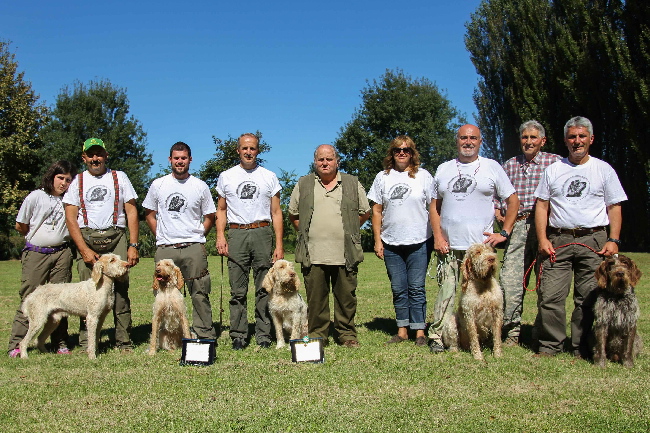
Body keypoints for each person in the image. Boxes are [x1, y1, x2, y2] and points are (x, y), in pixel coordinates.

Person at [534, 116, 627, 358]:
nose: (577, 141)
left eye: (582, 136)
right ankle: (550, 346)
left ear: (591, 139)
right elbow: (542, 206)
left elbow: (614, 206)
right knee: (551, 296)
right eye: (572, 137)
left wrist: (613, 240)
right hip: (558, 240)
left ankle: (581, 347)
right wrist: (543, 239)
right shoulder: (553, 170)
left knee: (588, 297)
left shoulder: (604, 170)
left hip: (594, 240)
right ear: (566, 140)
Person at [427, 124, 519, 353]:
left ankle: (485, 336)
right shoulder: (444, 169)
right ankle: (439, 337)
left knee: (483, 297)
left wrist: (504, 232)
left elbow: (513, 200)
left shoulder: (492, 167)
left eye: (473, 138)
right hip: (449, 246)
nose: (468, 142)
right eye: (463, 138)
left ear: (480, 141)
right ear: (456, 140)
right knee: (447, 293)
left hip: (481, 249)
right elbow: (433, 206)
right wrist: (438, 236)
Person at [289, 144, 371, 347]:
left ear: (337, 161)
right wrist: (309, 233)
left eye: (329, 159)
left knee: (346, 297)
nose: (325, 163)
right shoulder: (304, 183)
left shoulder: (352, 182)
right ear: (315, 162)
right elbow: (293, 214)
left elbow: (365, 212)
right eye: (320, 159)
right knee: (316, 299)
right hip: (313, 252)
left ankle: (347, 335)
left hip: (345, 252)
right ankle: (318, 335)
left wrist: (350, 230)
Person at [63, 138, 140, 352]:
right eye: (91, 155)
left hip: (116, 236)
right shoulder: (77, 181)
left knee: (121, 291)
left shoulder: (120, 177)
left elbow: (132, 210)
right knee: (89, 291)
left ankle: (123, 341)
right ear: (84, 157)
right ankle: (88, 342)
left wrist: (133, 244)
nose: (95, 159)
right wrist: (84, 250)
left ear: (106, 155)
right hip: (87, 239)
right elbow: (70, 218)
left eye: (99, 154)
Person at [143, 141, 217, 341]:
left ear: (190, 160)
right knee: (164, 294)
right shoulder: (158, 184)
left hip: (193, 246)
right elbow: (149, 214)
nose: (180, 161)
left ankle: (204, 335)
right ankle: (168, 335)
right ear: (170, 160)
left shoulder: (200, 186)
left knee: (199, 292)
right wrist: (160, 235)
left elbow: (210, 215)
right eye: (176, 158)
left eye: (183, 158)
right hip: (166, 249)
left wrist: (199, 233)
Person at [215, 133, 284, 350]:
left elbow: (276, 212)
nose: (248, 152)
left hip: (262, 232)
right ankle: (238, 334)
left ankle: (264, 334)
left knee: (265, 287)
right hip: (237, 234)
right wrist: (220, 236)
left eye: (252, 148)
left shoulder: (269, 176)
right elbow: (221, 209)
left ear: (258, 150)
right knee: (237, 290)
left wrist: (279, 244)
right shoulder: (226, 176)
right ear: (238, 150)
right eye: (244, 148)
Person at [496, 121, 561, 346]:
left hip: (548, 228)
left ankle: (541, 333)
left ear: (542, 141)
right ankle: (511, 332)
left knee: (547, 282)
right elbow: (496, 197)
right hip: (519, 226)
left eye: (533, 137)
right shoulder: (509, 165)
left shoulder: (556, 163)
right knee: (511, 281)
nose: (529, 141)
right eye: (525, 137)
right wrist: (499, 214)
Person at [367, 136, 433, 346]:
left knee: (416, 287)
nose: (402, 153)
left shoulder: (423, 176)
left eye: (406, 150)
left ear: (412, 153)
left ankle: (420, 331)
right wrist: (378, 241)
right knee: (398, 288)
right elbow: (376, 211)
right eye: (397, 150)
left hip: (419, 240)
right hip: (391, 242)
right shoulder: (382, 177)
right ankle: (402, 330)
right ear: (392, 153)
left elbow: (433, 208)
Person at [8, 161, 76, 357]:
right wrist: (37, 240)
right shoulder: (36, 196)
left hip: (61, 252)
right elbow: (21, 225)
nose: (64, 183)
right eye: (60, 178)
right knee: (30, 297)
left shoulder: (69, 200)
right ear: (52, 176)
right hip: (37, 252)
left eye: (68, 180)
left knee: (62, 299)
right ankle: (17, 344)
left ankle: (60, 342)